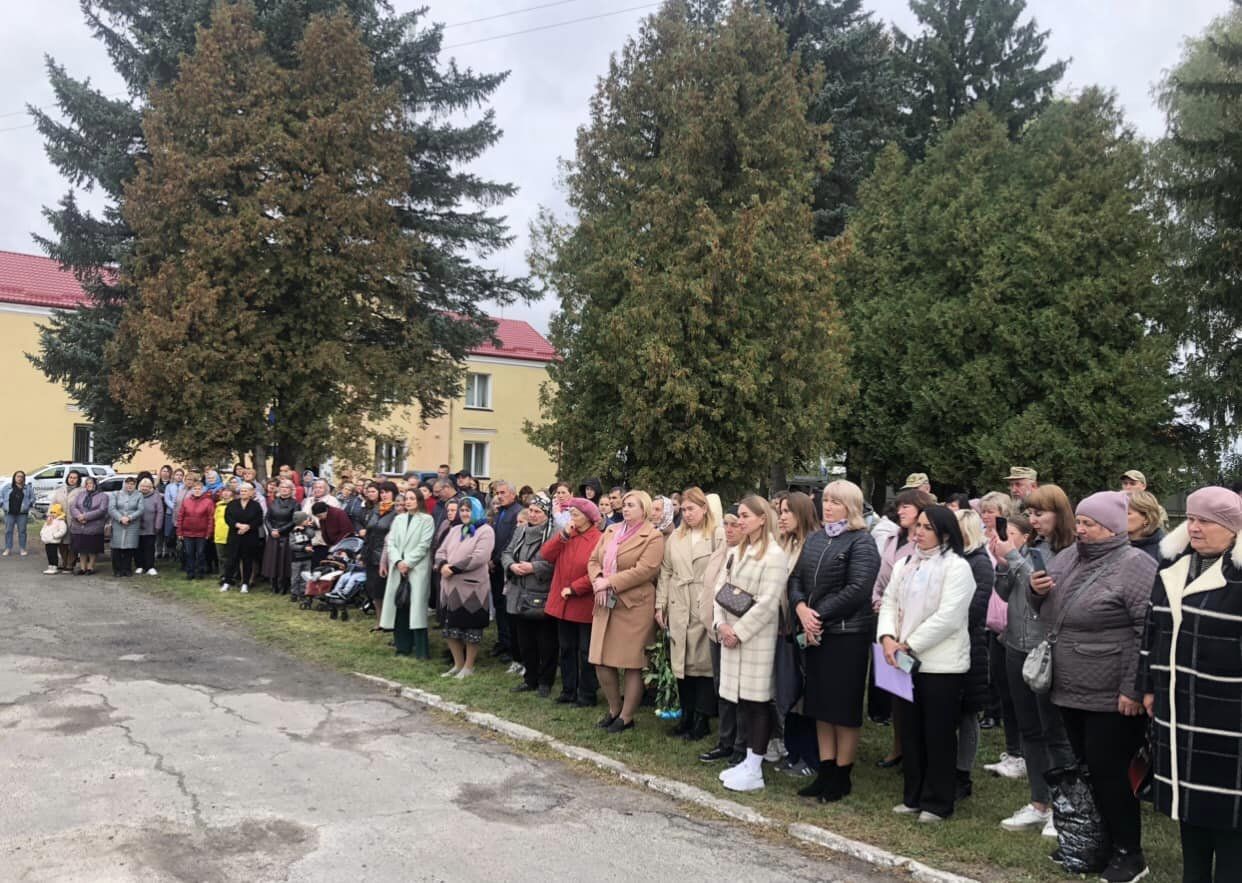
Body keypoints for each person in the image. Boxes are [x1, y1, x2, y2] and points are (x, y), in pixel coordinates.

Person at [1029, 491, 1157, 882]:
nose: (1080, 529)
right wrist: (1037, 593)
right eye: (1080, 521)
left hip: (1112, 694)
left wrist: (1133, 688)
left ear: (1113, 527)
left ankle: (1129, 854)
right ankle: (1095, 843)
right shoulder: (1068, 557)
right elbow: (1050, 613)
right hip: (1070, 686)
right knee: (1087, 771)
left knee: (1111, 772)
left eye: (1089, 524)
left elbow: (1148, 631)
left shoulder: (1136, 565)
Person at [1140, 487, 1242, 883]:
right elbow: (1152, 631)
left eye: (1206, 521)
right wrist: (1148, 685)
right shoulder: (1173, 565)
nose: (1195, 527)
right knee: (1189, 807)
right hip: (1178, 709)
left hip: (1229, 716)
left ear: (1232, 528)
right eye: (1192, 519)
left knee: (1231, 816)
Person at [877, 505, 975, 823]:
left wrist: (909, 644)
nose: (918, 532)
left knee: (938, 733)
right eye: (917, 525)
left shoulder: (957, 567)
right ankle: (913, 795)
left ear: (944, 534)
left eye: (927, 527)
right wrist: (887, 637)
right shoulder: (906, 563)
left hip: (940, 665)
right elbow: (889, 601)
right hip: (901, 659)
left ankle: (937, 802)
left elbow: (949, 617)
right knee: (910, 730)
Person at [788, 480, 881, 802]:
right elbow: (796, 579)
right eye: (826, 500)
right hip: (815, 632)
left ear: (851, 507)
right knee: (820, 705)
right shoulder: (816, 538)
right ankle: (825, 768)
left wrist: (817, 615)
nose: (827, 507)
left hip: (846, 634)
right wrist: (801, 608)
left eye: (836, 502)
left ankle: (842, 774)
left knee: (842, 707)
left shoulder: (862, 541)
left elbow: (857, 589)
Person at [990, 497, 1075, 836]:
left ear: (1060, 514)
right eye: (1030, 513)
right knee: (1030, 731)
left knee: (1055, 733)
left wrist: (1013, 557)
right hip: (1016, 646)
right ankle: (1039, 803)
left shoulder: (1069, 553)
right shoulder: (1029, 549)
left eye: (1040, 513)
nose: (1033, 519)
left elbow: (1046, 593)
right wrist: (1003, 562)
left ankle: (1062, 808)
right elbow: (1004, 591)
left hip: (1047, 651)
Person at [713, 494, 788, 792]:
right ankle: (747, 760)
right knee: (741, 701)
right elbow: (720, 589)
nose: (740, 521)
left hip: (756, 638)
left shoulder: (774, 555)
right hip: (731, 634)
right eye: (739, 515)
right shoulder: (738, 550)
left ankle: (756, 766)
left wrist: (738, 631)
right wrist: (721, 625)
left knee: (757, 703)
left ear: (762, 519)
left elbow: (768, 603)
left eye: (745, 516)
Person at [588, 489, 665, 734]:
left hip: (634, 606)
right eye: (625, 504)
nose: (626, 508)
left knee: (633, 663)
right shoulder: (611, 530)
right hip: (605, 602)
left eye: (631, 504)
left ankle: (627, 716)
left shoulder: (653, 536)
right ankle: (614, 709)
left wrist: (610, 582)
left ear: (644, 509)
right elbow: (593, 560)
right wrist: (598, 579)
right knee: (600, 659)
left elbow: (646, 570)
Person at [873, 489, 936, 768]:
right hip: (887, 623)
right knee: (895, 691)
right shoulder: (892, 538)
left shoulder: (927, 547)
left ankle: (916, 750)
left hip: (912, 626)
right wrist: (877, 600)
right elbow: (880, 576)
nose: (900, 512)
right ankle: (898, 747)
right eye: (899, 507)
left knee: (916, 693)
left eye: (907, 507)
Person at [657, 487, 722, 741]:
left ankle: (702, 719)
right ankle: (686, 714)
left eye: (691, 509)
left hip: (704, 603)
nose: (686, 514)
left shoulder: (717, 535)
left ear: (704, 508)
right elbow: (666, 571)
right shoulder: (676, 537)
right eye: (683, 509)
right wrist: (660, 604)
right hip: (679, 604)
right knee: (682, 663)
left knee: (703, 664)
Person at [697, 505, 749, 765]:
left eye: (735, 524)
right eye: (726, 524)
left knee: (739, 690)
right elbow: (711, 588)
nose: (729, 529)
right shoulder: (721, 550)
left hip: (738, 631)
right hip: (716, 628)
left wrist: (731, 627)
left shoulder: (750, 554)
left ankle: (742, 743)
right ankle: (725, 741)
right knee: (722, 687)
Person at [775, 491, 821, 775]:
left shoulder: (813, 544)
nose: (781, 517)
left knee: (805, 694)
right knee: (788, 691)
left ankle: (810, 757)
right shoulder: (786, 543)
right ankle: (793, 752)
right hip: (785, 628)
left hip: (806, 627)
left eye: (787, 512)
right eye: (780, 511)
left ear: (802, 513)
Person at [541, 497, 603, 707]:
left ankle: (587, 693)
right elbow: (546, 554)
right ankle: (568, 690)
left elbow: (599, 569)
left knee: (585, 651)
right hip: (563, 602)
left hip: (583, 602)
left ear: (588, 518)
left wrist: (576, 587)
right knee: (566, 648)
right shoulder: (568, 535)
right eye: (571, 513)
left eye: (575, 514)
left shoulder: (599, 538)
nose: (571, 517)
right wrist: (563, 536)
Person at [953, 508, 996, 801]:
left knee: (968, 713)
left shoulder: (979, 562)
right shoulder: (952, 559)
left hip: (970, 646)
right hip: (951, 644)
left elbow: (976, 608)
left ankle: (962, 773)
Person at [502, 496, 556, 694]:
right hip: (519, 592)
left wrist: (534, 567)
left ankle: (545, 681)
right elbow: (507, 552)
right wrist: (511, 565)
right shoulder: (521, 530)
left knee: (546, 641)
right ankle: (530, 678)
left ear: (547, 514)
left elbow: (556, 562)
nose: (532, 515)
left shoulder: (554, 533)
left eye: (537, 512)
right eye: (531, 510)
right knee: (525, 640)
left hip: (542, 592)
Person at [437, 496, 495, 677]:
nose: (464, 513)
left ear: (476, 511)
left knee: (471, 629)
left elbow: (480, 557)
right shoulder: (455, 530)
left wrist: (453, 568)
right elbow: (441, 551)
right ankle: (458, 664)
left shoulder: (486, 531)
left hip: (472, 589)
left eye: (468, 510)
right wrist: (442, 565)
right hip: (449, 587)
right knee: (450, 629)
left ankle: (469, 666)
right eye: (461, 510)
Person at [380, 489, 434, 657]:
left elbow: (424, 545)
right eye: (407, 498)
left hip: (417, 568)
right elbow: (391, 543)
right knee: (400, 605)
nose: (408, 501)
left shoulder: (427, 519)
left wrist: (408, 563)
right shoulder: (399, 519)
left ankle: (420, 649)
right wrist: (398, 561)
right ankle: (402, 647)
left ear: (419, 500)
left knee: (417, 608)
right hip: (398, 567)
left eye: (412, 498)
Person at [489, 480, 522, 665]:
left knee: (507, 606)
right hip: (495, 565)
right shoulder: (500, 512)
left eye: (502, 493)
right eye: (497, 493)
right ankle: (502, 641)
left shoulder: (517, 512)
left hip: (506, 566)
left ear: (513, 494)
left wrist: (496, 559)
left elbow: (511, 541)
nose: (499, 496)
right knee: (499, 605)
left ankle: (511, 645)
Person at [361, 481, 399, 625]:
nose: (384, 495)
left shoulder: (396, 511)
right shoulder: (376, 509)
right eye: (382, 492)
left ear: (394, 493)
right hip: (371, 554)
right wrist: (363, 553)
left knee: (383, 589)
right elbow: (369, 532)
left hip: (385, 555)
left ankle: (389, 620)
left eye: (387, 492)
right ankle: (379, 619)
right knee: (373, 589)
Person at [223, 483, 265, 593]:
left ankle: (245, 583)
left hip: (250, 536)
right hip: (235, 534)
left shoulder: (256, 505)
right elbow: (227, 517)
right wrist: (237, 525)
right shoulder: (232, 504)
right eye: (242, 491)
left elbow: (259, 519)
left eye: (246, 491)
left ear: (251, 492)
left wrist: (248, 527)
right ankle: (227, 582)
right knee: (231, 560)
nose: (243, 493)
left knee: (247, 560)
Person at [262, 480, 299, 594]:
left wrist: (280, 530)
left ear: (291, 490)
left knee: (284, 561)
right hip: (273, 535)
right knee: (273, 560)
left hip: (286, 535)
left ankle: (284, 585)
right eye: (282, 487)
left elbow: (294, 520)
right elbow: (267, 518)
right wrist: (271, 530)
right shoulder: (274, 502)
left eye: (287, 487)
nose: (284, 489)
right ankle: (273, 584)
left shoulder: (295, 504)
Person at [69, 475, 109, 575]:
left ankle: (90, 567)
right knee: (82, 549)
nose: (88, 485)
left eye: (91, 483)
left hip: (94, 526)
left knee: (92, 549)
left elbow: (102, 510)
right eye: (87, 483)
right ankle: (83, 568)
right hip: (79, 526)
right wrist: (79, 516)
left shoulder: (103, 496)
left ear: (95, 484)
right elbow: (73, 506)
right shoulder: (80, 494)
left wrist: (85, 516)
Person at [176, 481, 215, 581]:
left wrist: (209, 532)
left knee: (200, 553)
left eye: (199, 489)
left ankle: (200, 572)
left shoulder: (208, 502)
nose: (197, 491)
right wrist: (179, 532)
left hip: (202, 533)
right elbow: (180, 517)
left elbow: (211, 518)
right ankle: (190, 572)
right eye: (195, 489)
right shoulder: (186, 501)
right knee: (189, 553)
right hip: (187, 532)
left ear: (203, 490)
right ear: (192, 490)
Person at [51, 469, 85, 572]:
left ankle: (70, 563)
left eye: (75, 478)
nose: (72, 480)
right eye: (70, 477)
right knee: (62, 542)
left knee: (73, 542)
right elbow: (53, 504)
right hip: (61, 520)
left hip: (75, 520)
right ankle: (64, 562)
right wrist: (50, 515)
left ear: (78, 479)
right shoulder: (60, 490)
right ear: (67, 478)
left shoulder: (82, 491)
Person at [109, 476, 143, 578]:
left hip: (132, 524)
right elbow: (111, 508)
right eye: (128, 483)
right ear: (124, 484)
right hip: (118, 523)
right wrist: (120, 518)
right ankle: (117, 570)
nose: (130, 486)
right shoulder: (115, 494)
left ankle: (127, 569)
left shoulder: (139, 495)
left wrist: (130, 517)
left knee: (129, 548)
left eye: (132, 484)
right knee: (116, 547)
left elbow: (141, 509)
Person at [1125, 490, 1166, 562]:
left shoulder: (1165, 551)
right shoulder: (1114, 545)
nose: (1120, 516)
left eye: (1127, 513)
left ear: (1147, 518)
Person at [1, 470, 34, 556]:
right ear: (14, 477)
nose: (20, 478)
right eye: (18, 476)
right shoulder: (7, 487)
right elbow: (1, 496)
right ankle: (8, 549)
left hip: (22, 514)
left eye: (21, 477)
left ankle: (22, 549)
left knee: (22, 531)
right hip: (9, 513)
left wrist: (28, 505)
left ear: (24, 478)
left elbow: (33, 498)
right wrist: (3, 504)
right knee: (8, 531)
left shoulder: (28, 488)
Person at [136, 477, 164, 576]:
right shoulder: (136, 495)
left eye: (147, 486)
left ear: (151, 487)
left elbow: (160, 511)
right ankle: (140, 566)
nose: (144, 488)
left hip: (151, 526)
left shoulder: (156, 496)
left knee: (150, 547)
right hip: (137, 526)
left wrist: (158, 525)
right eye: (143, 486)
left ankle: (150, 566)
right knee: (139, 547)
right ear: (140, 487)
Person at [213, 486, 234, 588]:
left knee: (230, 557)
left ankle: (231, 577)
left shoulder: (235, 504)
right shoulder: (218, 505)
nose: (225, 493)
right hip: (219, 534)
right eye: (224, 491)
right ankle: (222, 576)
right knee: (221, 557)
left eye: (228, 491)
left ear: (231, 493)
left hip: (230, 534)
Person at [39, 503, 69, 574]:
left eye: (54, 512)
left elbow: (62, 530)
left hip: (54, 541)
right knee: (49, 554)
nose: (52, 514)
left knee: (53, 554)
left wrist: (55, 536)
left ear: (58, 512)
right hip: (47, 540)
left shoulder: (61, 521)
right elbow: (44, 528)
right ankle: (50, 566)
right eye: (51, 512)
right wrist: (42, 534)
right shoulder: (49, 520)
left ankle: (54, 566)